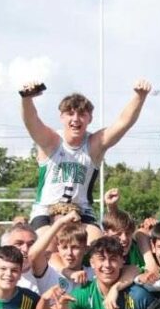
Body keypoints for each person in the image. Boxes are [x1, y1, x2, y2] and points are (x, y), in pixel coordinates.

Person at [22, 79, 152, 229]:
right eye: (70, 114)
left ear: (90, 118)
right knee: (44, 243)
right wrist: (26, 98)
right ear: (61, 117)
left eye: (82, 114)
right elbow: (31, 121)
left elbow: (123, 123)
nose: (76, 119)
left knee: (96, 244)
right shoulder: (50, 140)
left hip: (82, 210)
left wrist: (139, 96)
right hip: (45, 210)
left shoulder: (94, 144)